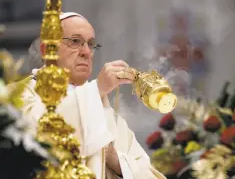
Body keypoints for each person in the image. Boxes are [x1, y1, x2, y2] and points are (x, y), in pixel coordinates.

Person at [18, 12, 166, 179]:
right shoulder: (19, 95)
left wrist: (114, 160)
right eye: (75, 41)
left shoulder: (105, 111)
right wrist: (97, 89)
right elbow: (35, 136)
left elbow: (148, 173)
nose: (86, 52)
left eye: (91, 44)